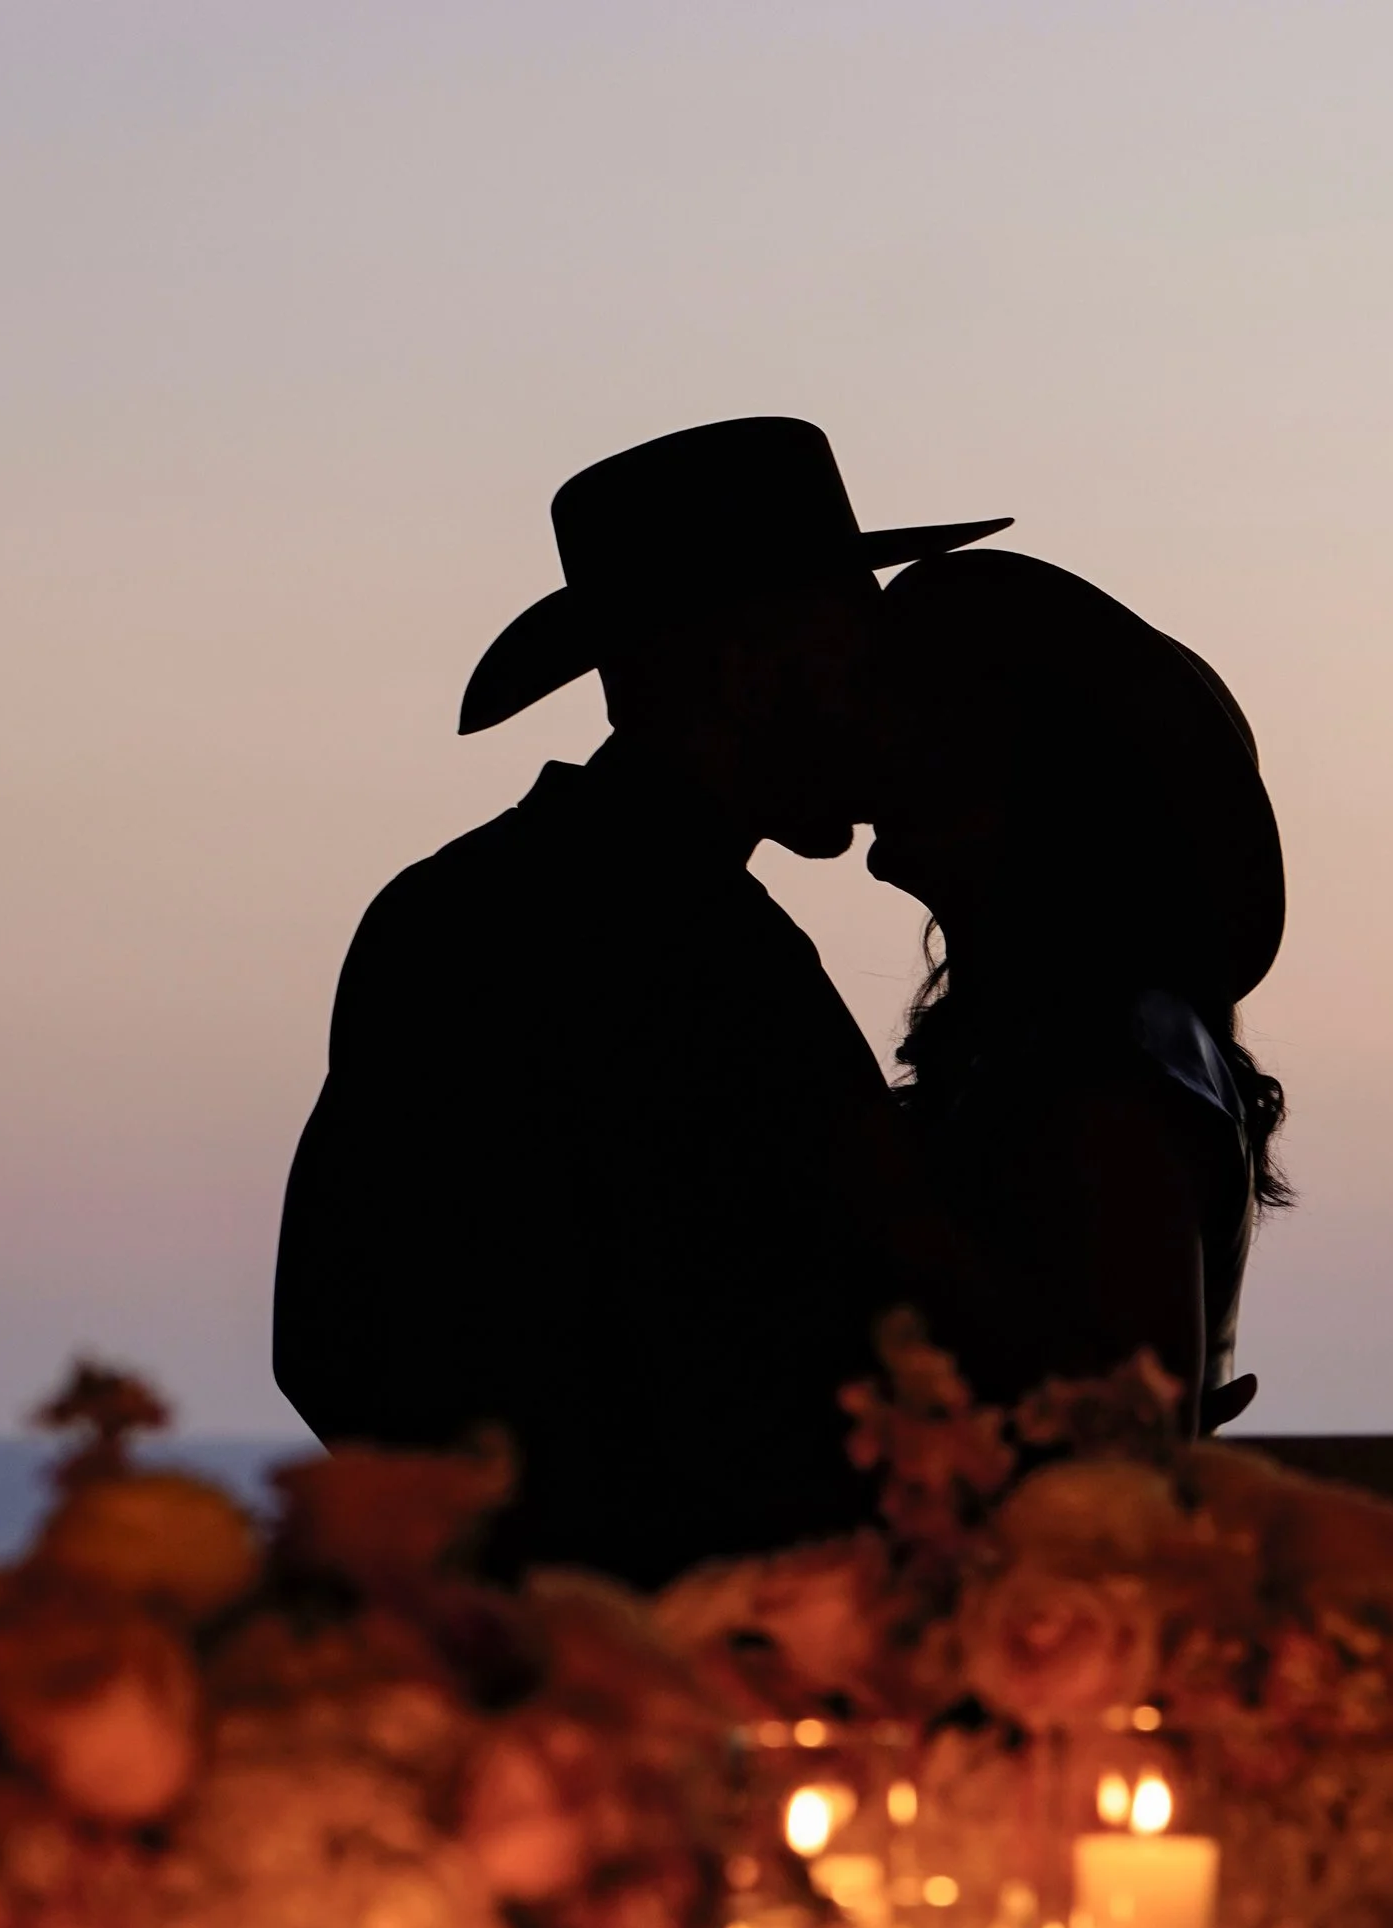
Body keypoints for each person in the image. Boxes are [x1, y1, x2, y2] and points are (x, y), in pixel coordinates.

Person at [272, 417, 1008, 1586]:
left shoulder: (454, 911)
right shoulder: (701, 948)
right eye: (849, 652)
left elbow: (332, 1334)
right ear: (747, 668)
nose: (882, 701)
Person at [865, 547, 1289, 1433]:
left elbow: (1121, 1445)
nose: (883, 745)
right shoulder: (1074, 1045)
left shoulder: (1105, 1068)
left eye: (937, 723)